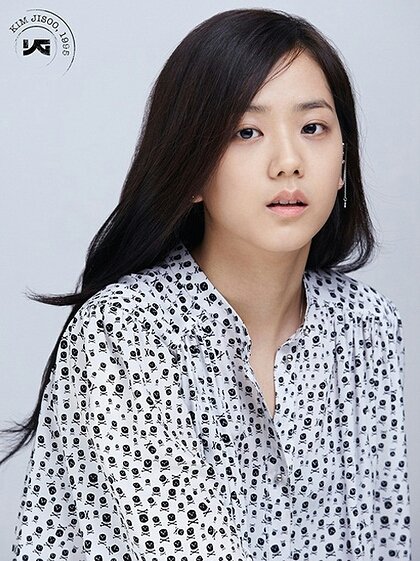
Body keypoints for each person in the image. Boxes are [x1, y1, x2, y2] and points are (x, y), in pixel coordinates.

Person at [3, 7, 411, 561]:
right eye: (246, 132)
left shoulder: (368, 325)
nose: (289, 161)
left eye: (313, 128)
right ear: (191, 168)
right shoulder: (127, 332)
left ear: (343, 161)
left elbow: (384, 540)